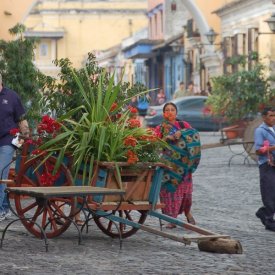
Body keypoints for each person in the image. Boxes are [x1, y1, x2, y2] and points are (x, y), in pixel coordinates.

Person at [155, 102, 196, 229]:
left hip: (184, 167)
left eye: (173, 110)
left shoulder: (184, 125)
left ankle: (188, 212)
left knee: (186, 193)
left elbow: (194, 136)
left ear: (176, 113)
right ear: (163, 113)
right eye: (167, 110)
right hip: (168, 166)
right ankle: (170, 219)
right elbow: (156, 145)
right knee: (168, 192)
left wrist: (182, 133)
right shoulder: (160, 128)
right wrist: (166, 139)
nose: (170, 112)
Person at [0, 73, 29, 221]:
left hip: (8, 140)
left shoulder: (11, 96)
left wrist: (26, 136)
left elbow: (21, 119)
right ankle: (5, 208)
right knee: (2, 176)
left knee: (0, 173)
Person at [254, 107, 275, 232]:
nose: (273, 118)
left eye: (274, 115)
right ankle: (269, 220)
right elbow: (258, 150)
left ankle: (263, 212)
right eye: (271, 116)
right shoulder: (260, 131)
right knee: (269, 192)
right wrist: (272, 148)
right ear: (264, 117)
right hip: (266, 165)